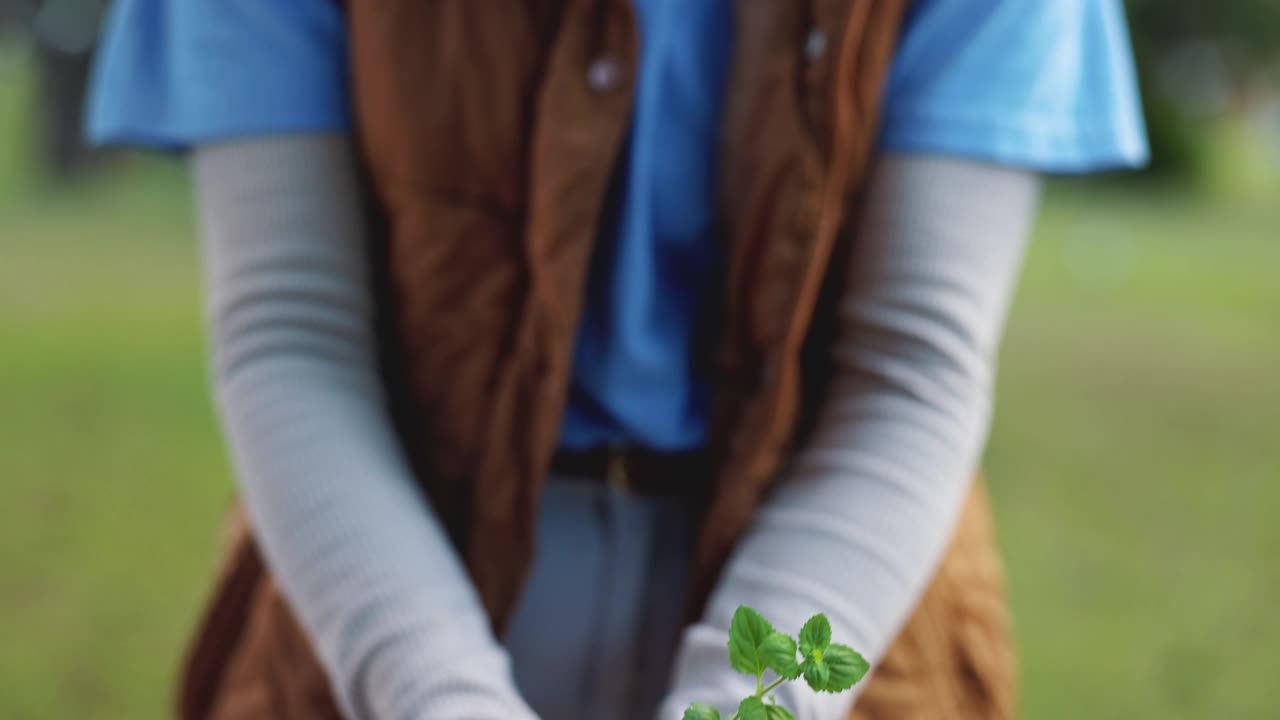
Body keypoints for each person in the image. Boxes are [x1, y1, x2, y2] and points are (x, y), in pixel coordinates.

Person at [87, 1, 1147, 718]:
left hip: (843, 588)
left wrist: (754, 699)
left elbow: (913, 363)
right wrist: (436, 692)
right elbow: (292, 328)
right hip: (383, 578)